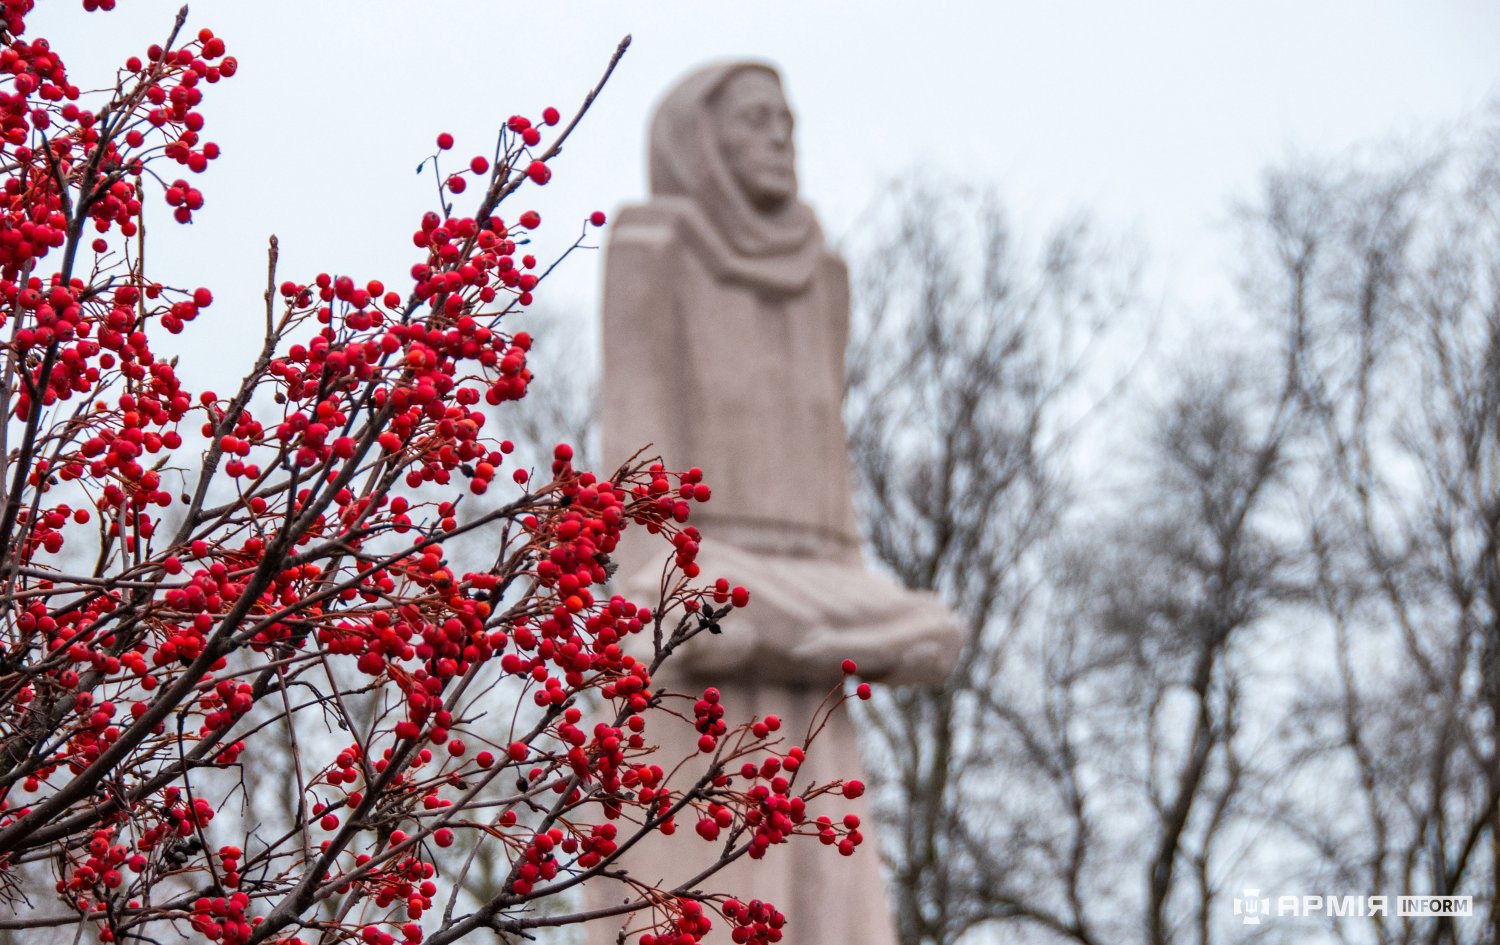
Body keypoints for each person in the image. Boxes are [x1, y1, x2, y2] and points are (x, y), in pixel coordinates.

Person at [592, 62, 961, 945]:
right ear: (697, 140)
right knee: (697, 898)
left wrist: (853, 618)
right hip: (692, 614)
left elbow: (839, 535)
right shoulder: (654, 250)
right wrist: (683, 599)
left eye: (786, 119)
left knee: (927, 631)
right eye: (754, 119)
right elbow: (640, 517)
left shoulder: (822, 275)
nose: (778, 135)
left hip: (815, 609)